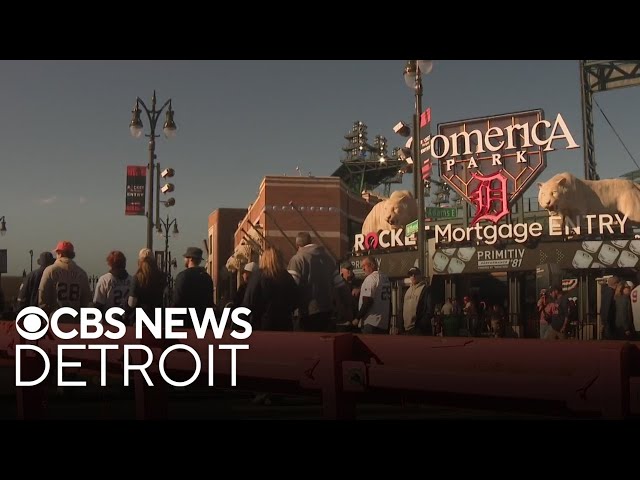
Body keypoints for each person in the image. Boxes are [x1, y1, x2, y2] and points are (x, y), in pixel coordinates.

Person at [287, 232, 349, 332]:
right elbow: (340, 285)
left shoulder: (297, 259)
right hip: (327, 311)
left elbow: (290, 287)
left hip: (306, 313)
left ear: (298, 245)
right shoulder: (329, 259)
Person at [242, 247, 298, 331]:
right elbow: (295, 300)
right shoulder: (287, 277)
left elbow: (249, 300)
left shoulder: (258, 276)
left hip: (262, 323)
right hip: (284, 323)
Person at [39, 241, 91, 318]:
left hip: (55, 317)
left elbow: (42, 295)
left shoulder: (50, 270)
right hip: (75, 318)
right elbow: (86, 298)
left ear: (60, 253)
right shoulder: (82, 273)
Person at [172, 247, 215, 328]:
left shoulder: (183, 276)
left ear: (190, 259)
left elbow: (177, 300)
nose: (184, 259)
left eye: (186, 257)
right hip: (203, 321)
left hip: (186, 321)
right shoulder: (207, 278)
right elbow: (209, 301)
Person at [126, 248, 166, 325]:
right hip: (157, 318)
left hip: (140, 319)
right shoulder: (162, 277)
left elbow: (131, 303)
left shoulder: (137, 278)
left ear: (139, 261)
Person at [353, 256, 391, 334]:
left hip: (371, 322)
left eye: (364, 266)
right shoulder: (385, 277)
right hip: (383, 322)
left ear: (372, 265)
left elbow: (368, 301)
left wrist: (357, 318)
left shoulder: (370, 278)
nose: (363, 269)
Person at [402, 267, 433, 335]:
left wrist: (421, 325)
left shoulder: (425, 289)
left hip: (419, 330)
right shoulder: (408, 291)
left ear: (420, 275)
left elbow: (429, 310)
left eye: (415, 274)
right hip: (407, 329)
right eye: (411, 274)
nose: (413, 276)